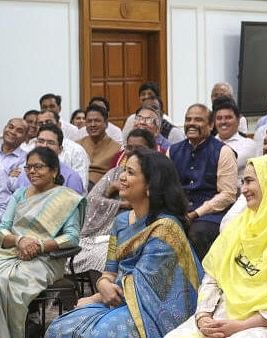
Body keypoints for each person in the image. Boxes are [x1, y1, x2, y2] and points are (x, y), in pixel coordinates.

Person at [46, 148, 203, 337]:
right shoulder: (121, 221)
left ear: (150, 185)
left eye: (130, 173)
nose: (121, 177)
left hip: (150, 310)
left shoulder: (165, 228)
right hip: (119, 299)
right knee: (59, 327)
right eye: (124, 170)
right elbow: (110, 270)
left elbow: (142, 285)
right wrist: (103, 283)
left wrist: (97, 296)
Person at [166, 155, 267, 337]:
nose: (244, 190)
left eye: (249, 181)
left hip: (265, 324)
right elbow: (213, 278)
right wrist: (203, 317)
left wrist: (240, 326)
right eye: (243, 182)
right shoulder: (239, 225)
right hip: (222, 314)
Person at [0, 147, 85, 337]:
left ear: (54, 170)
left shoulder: (67, 198)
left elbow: (72, 237)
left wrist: (38, 245)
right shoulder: (20, 194)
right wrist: (20, 240)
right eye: (28, 167)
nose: (32, 172)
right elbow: (2, 229)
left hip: (46, 259)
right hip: (9, 253)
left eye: (38, 167)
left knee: (2, 282)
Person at [72, 128, 156, 274]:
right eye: (129, 147)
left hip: (138, 228)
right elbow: (92, 200)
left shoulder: (156, 174)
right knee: (78, 249)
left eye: (139, 148)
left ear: (151, 149)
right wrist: (113, 193)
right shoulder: (116, 172)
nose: (133, 152)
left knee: (104, 255)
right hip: (104, 227)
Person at [168, 103, 238, 260]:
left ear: (211, 125)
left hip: (210, 215)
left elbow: (228, 194)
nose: (191, 123)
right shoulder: (173, 150)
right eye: (188, 119)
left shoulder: (223, 151)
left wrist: (195, 213)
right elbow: (165, 187)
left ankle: (199, 281)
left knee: (198, 233)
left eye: (198, 119)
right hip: (179, 210)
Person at [14, 124, 84, 194]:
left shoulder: (71, 177)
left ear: (60, 149)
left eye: (50, 143)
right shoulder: (25, 173)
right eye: (41, 141)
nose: (44, 146)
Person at [33, 110, 89, 190]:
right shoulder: (33, 148)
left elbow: (80, 187)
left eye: (48, 122)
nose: (45, 125)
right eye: (40, 123)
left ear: (59, 124)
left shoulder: (76, 150)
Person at [213, 96, 256, 180]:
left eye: (228, 118)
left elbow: (226, 166)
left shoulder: (248, 144)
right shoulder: (207, 143)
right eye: (219, 118)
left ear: (238, 120)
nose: (223, 122)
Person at [77, 104, 121, 189]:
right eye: (89, 121)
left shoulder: (117, 149)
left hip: (102, 189)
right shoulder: (78, 145)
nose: (92, 125)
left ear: (106, 123)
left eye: (97, 121)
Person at [0, 118, 29, 190]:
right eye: (10, 127)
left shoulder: (26, 158)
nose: (13, 132)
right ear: (4, 128)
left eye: (19, 131)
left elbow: (15, 186)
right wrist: (8, 175)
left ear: (25, 138)